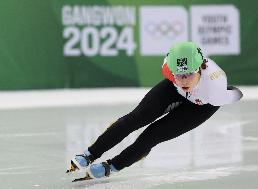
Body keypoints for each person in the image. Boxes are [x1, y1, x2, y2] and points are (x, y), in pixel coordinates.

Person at [66, 41, 243, 180]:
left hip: (201, 106)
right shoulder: (168, 69)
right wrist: (178, 80)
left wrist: (228, 92)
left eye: (188, 74)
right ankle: (89, 154)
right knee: (135, 118)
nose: (183, 80)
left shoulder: (215, 90)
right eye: (178, 75)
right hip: (173, 91)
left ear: (200, 69)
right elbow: (178, 77)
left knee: (153, 135)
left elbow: (236, 94)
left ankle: (111, 166)